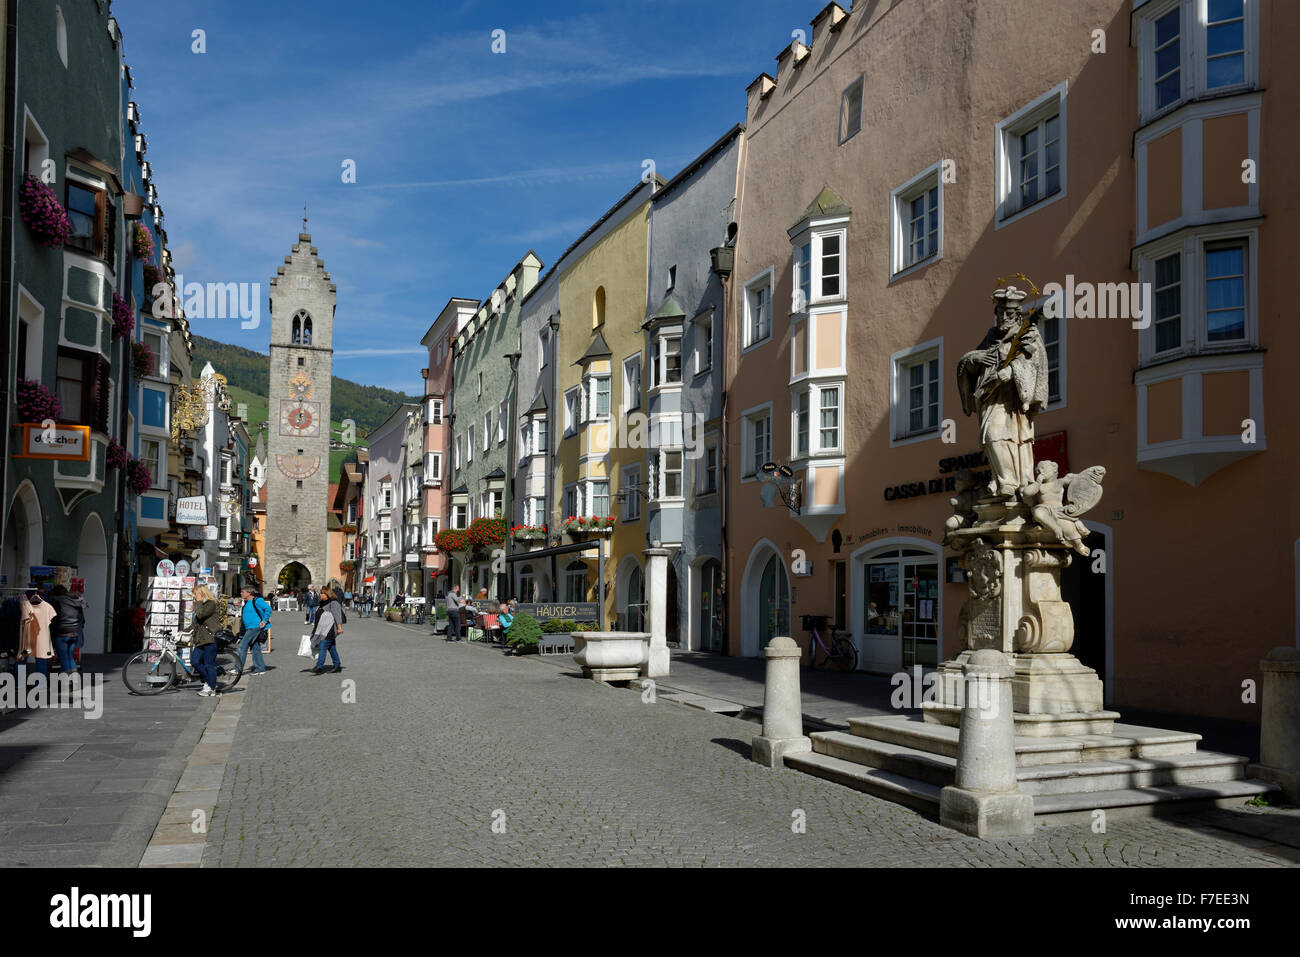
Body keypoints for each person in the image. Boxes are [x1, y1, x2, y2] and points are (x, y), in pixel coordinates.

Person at [191, 584, 221, 696]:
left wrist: (198, 603)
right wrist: (183, 631)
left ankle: (211, 688)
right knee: (195, 661)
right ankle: (209, 681)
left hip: (210, 638)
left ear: (202, 594)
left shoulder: (211, 604)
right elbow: (196, 622)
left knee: (209, 664)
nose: (194, 597)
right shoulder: (203, 604)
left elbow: (200, 615)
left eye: (195, 594)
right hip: (200, 639)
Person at [47, 585, 84, 674]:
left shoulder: (56, 601)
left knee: (63, 657)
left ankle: (67, 681)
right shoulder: (75, 601)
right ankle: (74, 679)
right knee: (70, 657)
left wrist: (51, 634)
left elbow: (54, 619)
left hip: (61, 633)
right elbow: (82, 620)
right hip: (74, 633)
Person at [238, 585, 271, 676]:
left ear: (249, 593)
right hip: (249, 627)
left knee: (242, 647)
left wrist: (264, 621)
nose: (241, 593)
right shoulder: (247, 603)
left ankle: (237, 668)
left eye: (242, 592)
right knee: (255, 648)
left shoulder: (257, 600)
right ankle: (260, 668)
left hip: (255, 627)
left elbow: (268, 608)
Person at [311, 587, 343, 674]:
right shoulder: (322, 603)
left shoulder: (333, 603)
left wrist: (339, 628)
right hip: (321, 630)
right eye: (320, 593)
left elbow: (337, 616)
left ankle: (319, 666)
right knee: (331, 648)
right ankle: (337, 665)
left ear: (327, 594)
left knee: (322, 646)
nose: (320, 595)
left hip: (329, 630)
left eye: (322, 593)